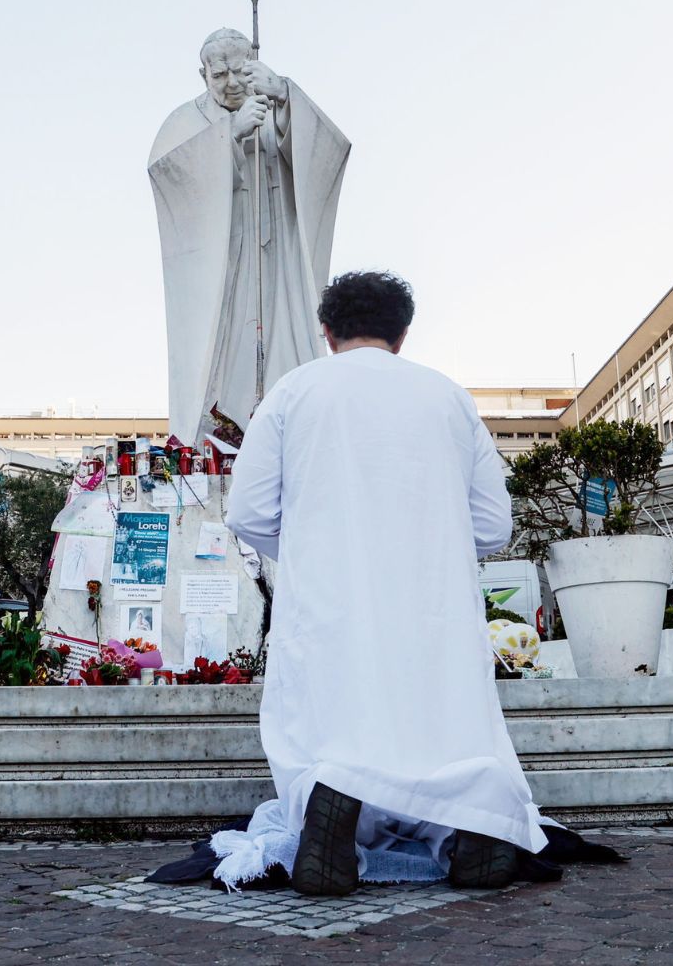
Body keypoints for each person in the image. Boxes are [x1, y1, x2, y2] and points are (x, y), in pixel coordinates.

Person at [222, 271, 544, 896]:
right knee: (441, 718)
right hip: (432, 601)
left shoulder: (294, 392)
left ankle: (333, 795)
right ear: (402, 334)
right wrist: (436, 547)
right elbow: (493, 524)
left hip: (329, 599)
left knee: (335, 717)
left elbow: (248, 513)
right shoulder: (448, 397)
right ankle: (470, 821)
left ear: (327, 331)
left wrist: (311, 552)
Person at [148, 28, 351, 450]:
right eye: (219, 74)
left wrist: (286, 98)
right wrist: (229, 136)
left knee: (285, 343)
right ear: (203, 75)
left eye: (240, 71)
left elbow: (329, 151)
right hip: (221, 265)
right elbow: (169, 177)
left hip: (278, 260)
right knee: (221, 357)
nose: (231, 83)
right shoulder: (185, 122)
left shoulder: (272, 103)